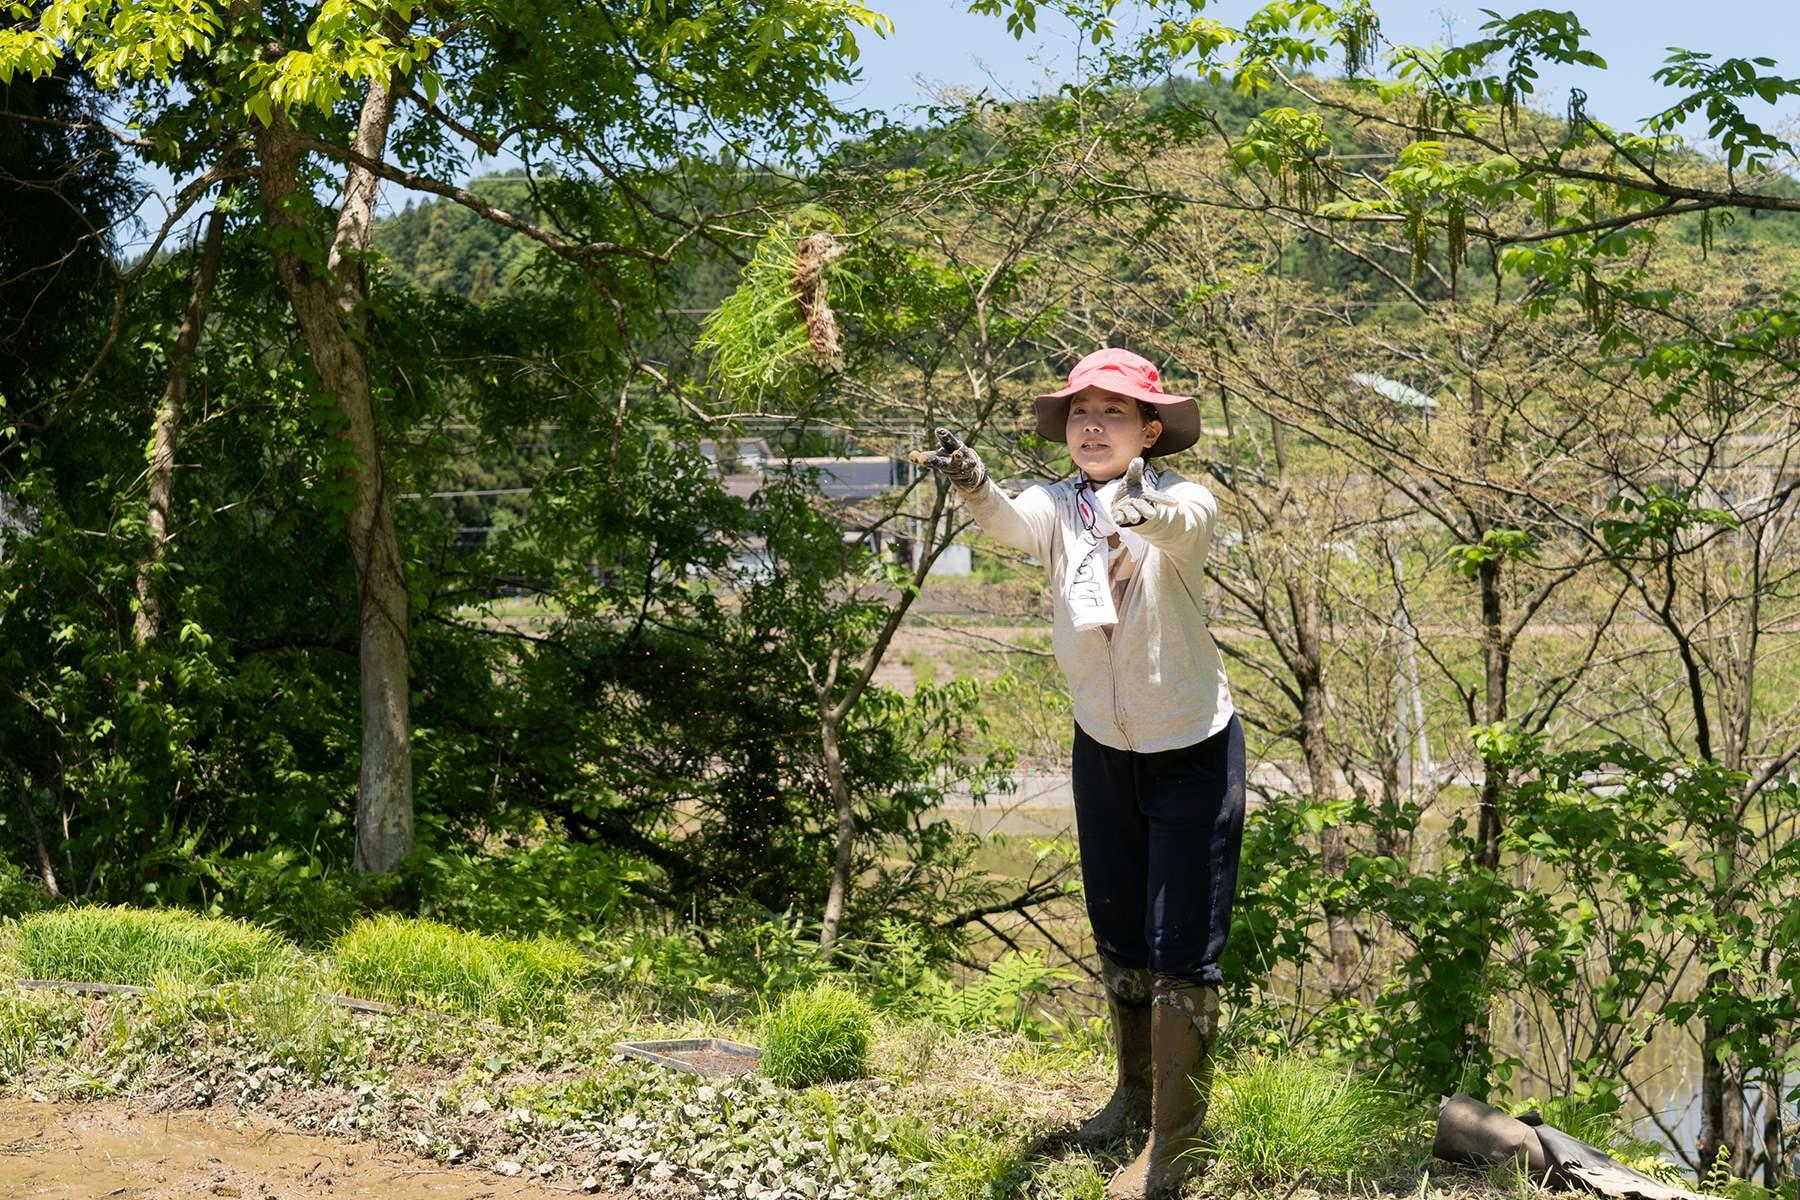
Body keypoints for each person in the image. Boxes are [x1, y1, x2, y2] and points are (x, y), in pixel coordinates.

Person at [916, 346, 1244, 1200]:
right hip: (1103, 745)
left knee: (1184, 949)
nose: (1091, 425)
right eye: (1080, 413)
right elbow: (1011, 524)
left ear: (1148, 431)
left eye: (1113, 413)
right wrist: (974, 483)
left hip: (1191, 750)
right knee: (1119, 930)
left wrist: (1133, 508)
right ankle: (1132, 1100)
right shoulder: (1056, 506)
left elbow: (1184, 529)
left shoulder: (1183, 500)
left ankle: (1178, 1142)